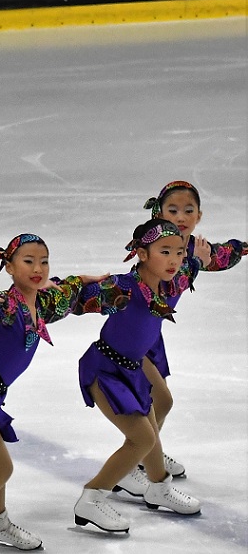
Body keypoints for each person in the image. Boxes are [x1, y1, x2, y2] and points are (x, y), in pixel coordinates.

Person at [0, 234, 122, 554]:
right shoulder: (3, 303)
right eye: (28, 261)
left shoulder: (44, 303)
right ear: (8, 267)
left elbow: (67, 290)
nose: (37, 268)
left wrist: (83, 280)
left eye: (43, 261)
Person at [72, 218, 209, 533]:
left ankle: (158, 486)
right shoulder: (121, 288)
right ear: (142, 254)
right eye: (165, 252)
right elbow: (72, 300)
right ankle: (91, 499)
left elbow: (190, 270)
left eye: (179, 252)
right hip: (105, 369)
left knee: (150, 427)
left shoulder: (171, 284)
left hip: (133, 367)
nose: (174, 260)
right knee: (143, 437)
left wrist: (198, 260)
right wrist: (67, 283)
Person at [112, 180, 243, 494]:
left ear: (199, 215)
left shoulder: (192, 247)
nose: (181, 216)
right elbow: (174, 281)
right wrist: (197, 262)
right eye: (173, 210)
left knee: (160, 403)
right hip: (131, 332)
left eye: (188, 210)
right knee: (159, 400)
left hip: (150, 334)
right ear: (159, 213)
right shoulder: (156, 247)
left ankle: (143, 454)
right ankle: (129, 466)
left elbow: (222, 256)